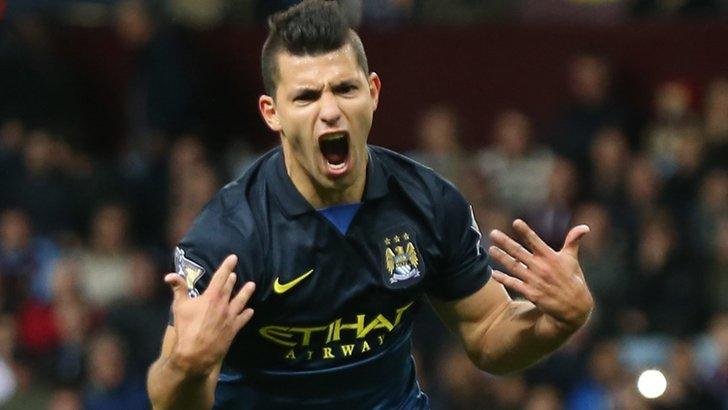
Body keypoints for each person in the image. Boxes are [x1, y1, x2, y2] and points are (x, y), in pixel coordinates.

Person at [146, 1, 594, 408]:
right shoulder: (229, 236)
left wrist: (557, 322)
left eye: (344, 88)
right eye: (305, 96)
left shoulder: (430, 203)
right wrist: (185, 367)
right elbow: (172, 399)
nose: (330, 111)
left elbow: (488, 332)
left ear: (373, 92)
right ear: (272, 112)